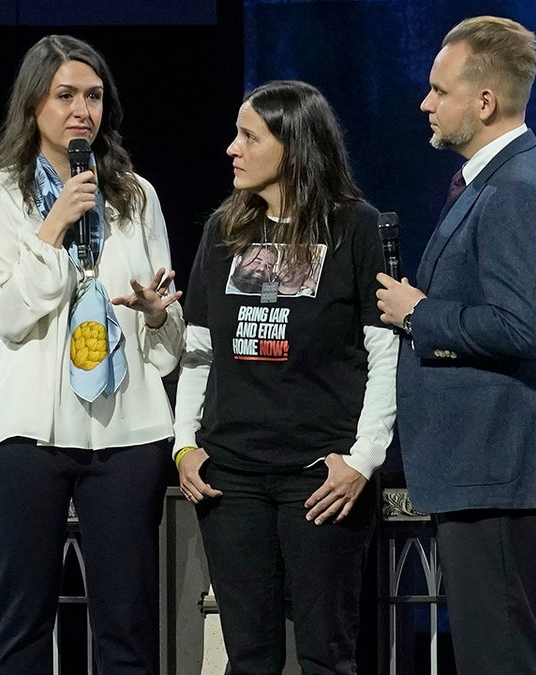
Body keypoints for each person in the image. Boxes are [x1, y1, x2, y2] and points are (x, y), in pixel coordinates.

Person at [0, 34, 184, 674]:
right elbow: (7, 312)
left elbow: (168, 341)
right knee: (22, 626)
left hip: (127, 430)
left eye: (92, 96)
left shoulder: (136, 196)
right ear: (34, 104)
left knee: (129, 626)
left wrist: (157, 313)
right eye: (65, 96)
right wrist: (53, 228)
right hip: (23, 434)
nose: (80, 109)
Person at [376, 16, 536, 675]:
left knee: (506, 660)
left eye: (439, 90)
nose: (426, 103)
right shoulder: (499, 180)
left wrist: (421, 313)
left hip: (499, 470)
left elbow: (521, 327)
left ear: (484, 101)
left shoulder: (517, 189)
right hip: (489, 471)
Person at [173, 80, 398, 674]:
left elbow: (386, 354)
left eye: (249, 136)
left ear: (293, 148)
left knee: (325, 654)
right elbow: (199, 351)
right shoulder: (223, 231)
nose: (232, 148)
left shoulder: (357, 228)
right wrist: (184, 446)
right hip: (231, 480)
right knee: (249, 657)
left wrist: (363, 458)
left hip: (320, 479)